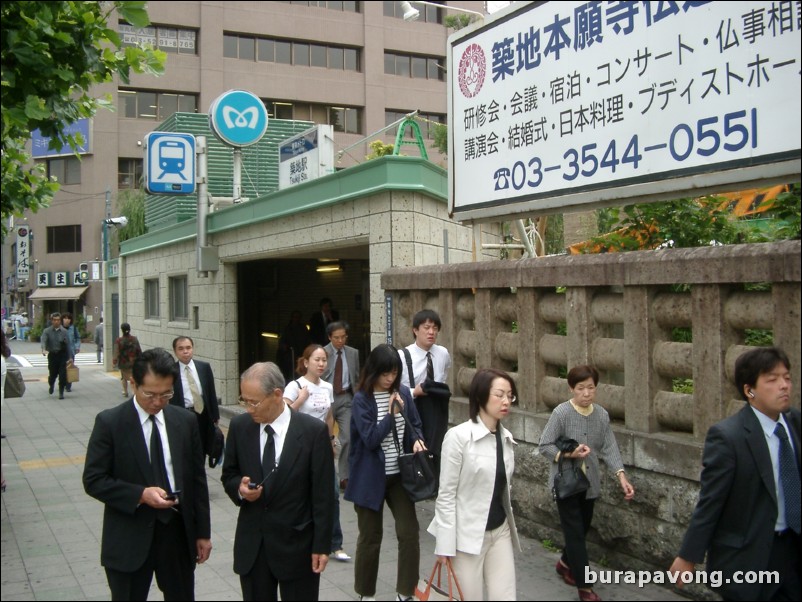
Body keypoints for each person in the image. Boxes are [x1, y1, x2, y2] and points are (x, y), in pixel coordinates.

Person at [669, 347, 800, 601]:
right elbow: (711, 501)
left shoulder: (796, 424)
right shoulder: (729, 437)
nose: (784, 385)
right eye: (772, 380)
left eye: (787, 377)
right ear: (749, 390)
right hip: (751, 557)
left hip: (793, 551)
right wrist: (688, 557)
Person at [82, 348, 212, 601]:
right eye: (149, 394)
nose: (157, 402)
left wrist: (203, 533)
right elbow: (94, 480)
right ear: (133, 384)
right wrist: (140, 494)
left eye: (166, 394)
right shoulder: (111, 423)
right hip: (129, 535)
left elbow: (197, 480)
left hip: (176, 534)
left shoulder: (184, 422)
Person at [222, 361, 335, 601]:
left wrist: (322, 545)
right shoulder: (240, 427)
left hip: (298, 545)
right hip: (254, 545)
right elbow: (229, 474)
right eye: (244, 401)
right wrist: (240, 489)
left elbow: (323, 495)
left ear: (277, 395)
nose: (248, 408)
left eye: (254, 402)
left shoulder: (312, 432)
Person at [538, 365, 635, 602]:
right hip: (566, 484)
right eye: (580, 388)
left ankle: (564, 564)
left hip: (589, 483)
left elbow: (610, 447)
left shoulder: (601, 415)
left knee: (581, 529)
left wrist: (621, 476)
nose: (586, 393)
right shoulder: (561, 413)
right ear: (571, 389)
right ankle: (585, 589)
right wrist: (571, 454)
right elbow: (544, 446)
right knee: (576, 535)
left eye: (591, 388)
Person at [427, 368, 521, 601]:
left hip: (500, 531)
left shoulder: (506, 438)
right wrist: (445, 546)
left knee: (505, 596)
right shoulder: (458, 437)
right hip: (466, 538)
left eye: (510, 396)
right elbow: (446, 495)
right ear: (480, 396)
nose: (506, 401)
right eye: (499, 394)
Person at [344, 343, 427, 602]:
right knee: (370, 537)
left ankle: (405, 591)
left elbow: (414, 423)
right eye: (385, 374)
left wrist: (417, 440)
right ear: (373, 372)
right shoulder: (362, 399)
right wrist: (391, 414)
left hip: (399, 475)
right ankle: (365, 593)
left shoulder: (402, 391)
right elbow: (369, 439)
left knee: (409, 533)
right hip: (370, 477)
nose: (390, 379)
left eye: (394, 373)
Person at [283, 343, 350, 562]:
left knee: (330, 495)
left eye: (324, 360)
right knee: (301, 494)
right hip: (300, 447)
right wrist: (301, 399)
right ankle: (301, 538)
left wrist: (331, 439)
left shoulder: (327, 387)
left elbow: (328, 416)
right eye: (317, 360)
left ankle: (335, 543)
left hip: (322, 447)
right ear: (305, 363)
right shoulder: (295, 386)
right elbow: (283, 415)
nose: (321, 364)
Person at [399, 309, 452, 470]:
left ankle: (433, 482)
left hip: (436, 411)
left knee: (436, 448)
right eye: (427, 327)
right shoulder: (403, 356)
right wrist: (414, 392)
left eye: (435, 328)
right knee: (414, 447)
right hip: (413, 408)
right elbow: (395, 389)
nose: (431, 332)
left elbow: (444, 376)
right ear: (415, 330)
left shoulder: (442, 353)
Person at [169, 336, 220, 462]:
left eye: (188, 348)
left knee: (201, 448)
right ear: (175, 351)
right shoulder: (171, 371)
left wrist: (215, 416)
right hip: (183, 413)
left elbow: (211, 392)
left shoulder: (204, 367)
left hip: (202, 414)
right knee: (185, 447)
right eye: (181, 349)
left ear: (193, 349)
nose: (185, 351)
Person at [322, 320, 360, 489]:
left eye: (343, 337)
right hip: (325, 399)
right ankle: (324, 475)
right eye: (336, 338)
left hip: (345, 398)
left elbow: (356, 377)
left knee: (348, 438)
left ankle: (345, 476)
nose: (340, 341)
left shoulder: (353, 353)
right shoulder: (322, 353)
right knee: (323, 439)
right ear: (330, 337)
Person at [40, 312, 70, 400]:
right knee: (52, 374)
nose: (56, 322)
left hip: (62, 355)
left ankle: (61, 391)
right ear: (52, 321)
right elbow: (43, 340)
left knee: (63, 374)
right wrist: (43, 349)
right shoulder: (47, 331)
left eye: (58, 320)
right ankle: (51, 384)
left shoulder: (64, 331)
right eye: (54, 320)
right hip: (52, 355)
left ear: (60, 321)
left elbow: (68, 344)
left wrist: (70, 357)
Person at [277, 310, 312, 381]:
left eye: (298, 317)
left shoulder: (303, 328)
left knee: (301, 373)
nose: (296, 319)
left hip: (301, 355)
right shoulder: (287, 328)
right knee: (290, 375)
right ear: (292, 318)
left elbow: (308, 341)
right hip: (290, 356)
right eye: (295, 317)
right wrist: (285, 347)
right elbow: (282, 341)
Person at [114, 323, 142, 398]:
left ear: (122, 330)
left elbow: (116, 352)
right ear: (129, 329)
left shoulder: (119, 340)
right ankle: (134, 391)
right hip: (133, 362)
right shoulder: (134, 339)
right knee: (133, 377)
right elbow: (139, 350)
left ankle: (125, 391)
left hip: (123, 362)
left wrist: (115, 360)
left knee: (124, 377)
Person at [61, 312, 80, 392]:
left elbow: (77, 338)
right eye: (65, 318)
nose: (67, 320)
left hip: (71, 352)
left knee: (70, 368)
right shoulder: (59, 328)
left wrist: (77, 347)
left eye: (68, 318)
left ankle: (68, 385)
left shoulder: (73, 328)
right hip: (61, 352)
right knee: (62, 369)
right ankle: (63, 383)